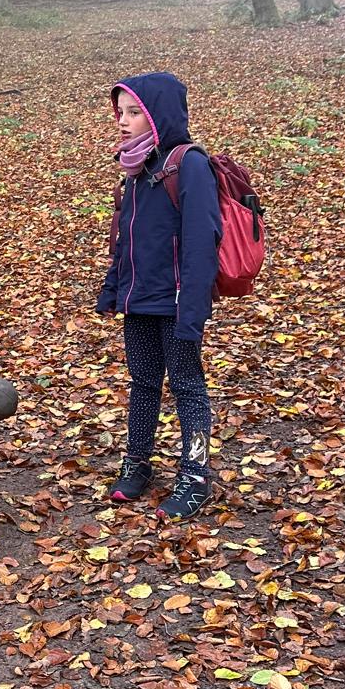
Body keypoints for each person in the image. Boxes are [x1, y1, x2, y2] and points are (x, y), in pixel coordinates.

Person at [98, 73, 223, 520]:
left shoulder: (188, 165)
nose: (123, 121)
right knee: (144, 383)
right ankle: (138, 463)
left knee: (187, 385)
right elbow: (126, 239)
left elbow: (201, 244)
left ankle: (196, 475)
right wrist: (113, 289)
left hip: (175, 303)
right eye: (121, 112)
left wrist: (192, 311)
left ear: (158, 116)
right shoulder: (136, 169)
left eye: (135, 112)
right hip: (140, 301)